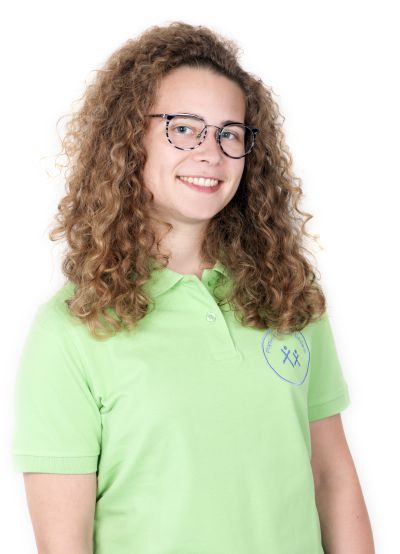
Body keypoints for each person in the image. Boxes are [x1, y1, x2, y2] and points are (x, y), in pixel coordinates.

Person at [11, 21, 375, 554]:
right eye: (184, 128)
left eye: (230, 133)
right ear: (129, 138)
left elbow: (332, 478)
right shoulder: (72, 328)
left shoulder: (286, 294)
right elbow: (64, 544)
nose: (211, 153)